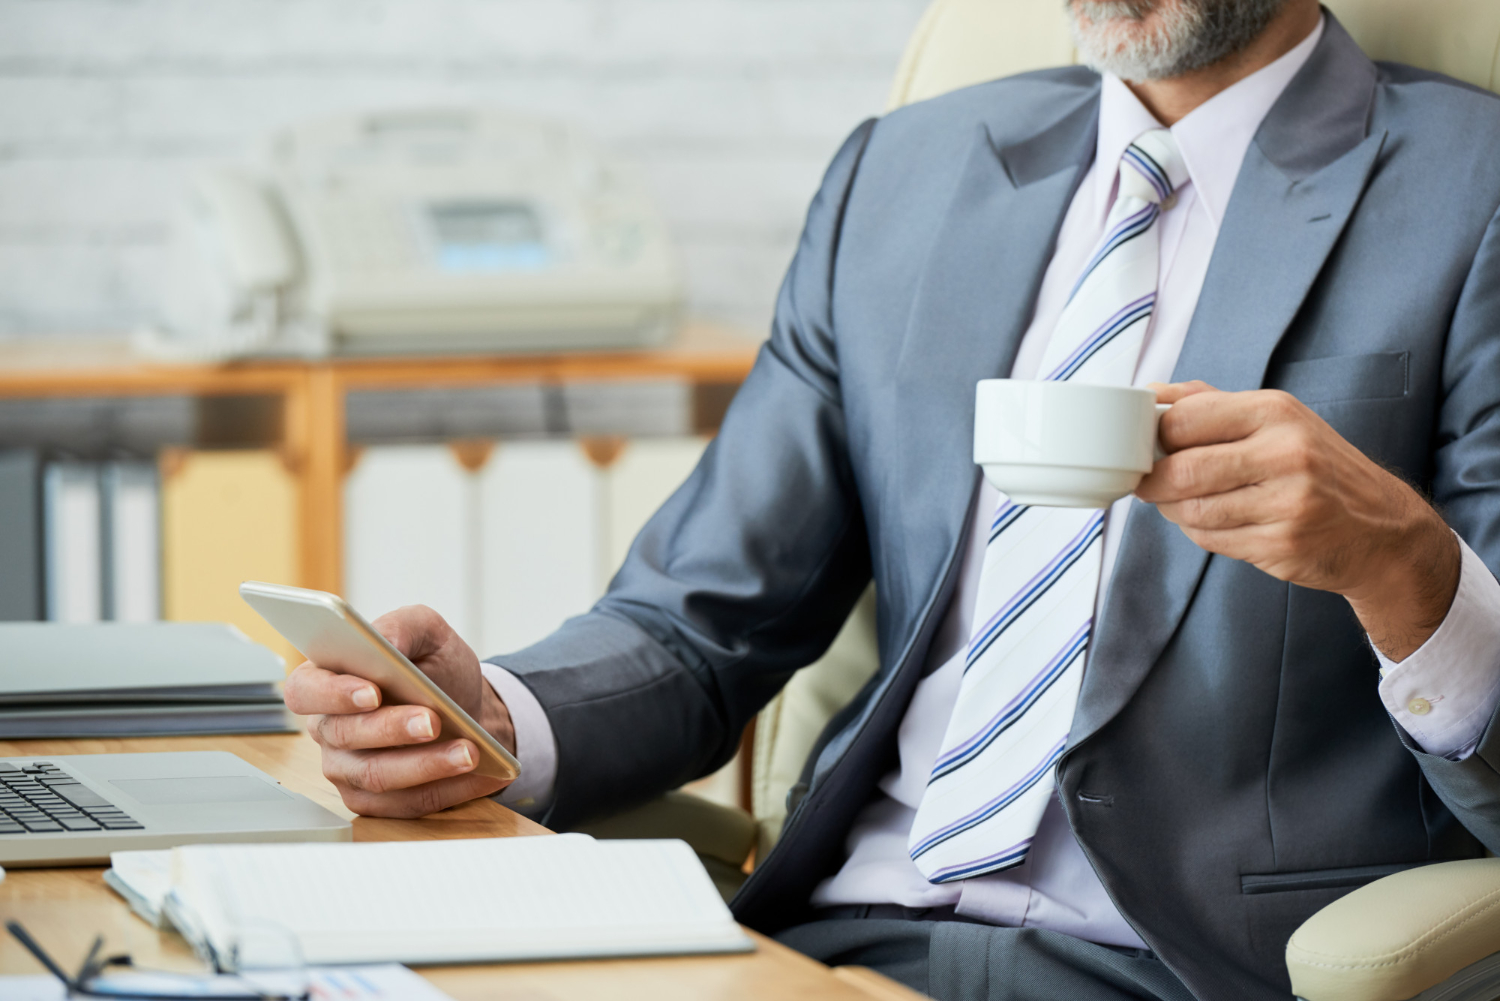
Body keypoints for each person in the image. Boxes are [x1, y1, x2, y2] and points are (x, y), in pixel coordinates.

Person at [284, 1, 1500, 998]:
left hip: (1187, 965)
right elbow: (700, 618)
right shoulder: (902, 174)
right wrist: (489, 716)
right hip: (834, 943)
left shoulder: (1473, 187)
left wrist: (1403, 561)